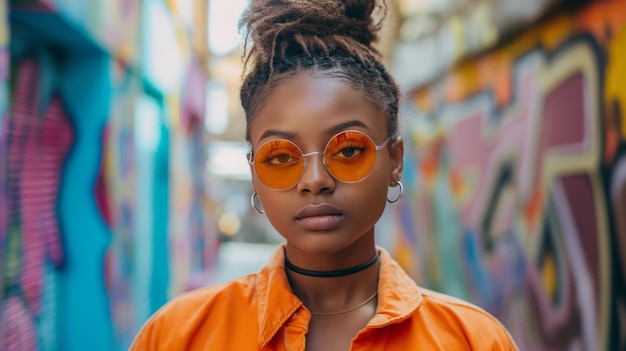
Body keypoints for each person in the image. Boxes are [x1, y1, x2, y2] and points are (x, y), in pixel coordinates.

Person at [130, 0, 519, 350]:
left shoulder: (472, 340)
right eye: (280, 156)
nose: (314, 179)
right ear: (254, 175)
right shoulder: (178, 336)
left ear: (395, 160)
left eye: (348, 149)